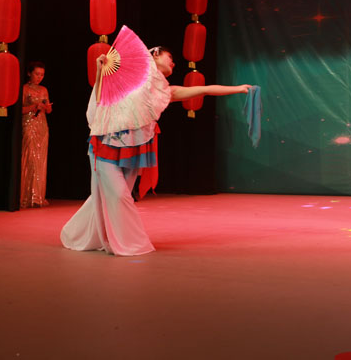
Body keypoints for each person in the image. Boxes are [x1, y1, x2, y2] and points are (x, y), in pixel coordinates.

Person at [61, 43, 250, 256]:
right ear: (156, 54)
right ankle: (129, 242)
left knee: (113, 196)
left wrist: (239, 89)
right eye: (170, 57)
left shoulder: (164, 91)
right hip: (107, 144)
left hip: (134, 149)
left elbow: (205, 90)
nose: (174, 63)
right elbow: (100, 97)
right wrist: (99, 71)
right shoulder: (127, 78)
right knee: (119, 195)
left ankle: (78, 234)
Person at [21, 62, 52, 208]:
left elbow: (49, 111)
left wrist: (47, 106)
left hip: (42, 126)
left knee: (41, 160)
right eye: (37, 74)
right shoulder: (24, 89)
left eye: (42, 75)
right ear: (29, 73)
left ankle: (38, 196)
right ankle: (26, 196)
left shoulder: (44, 89)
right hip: (29, 124)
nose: (39, 77)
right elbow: (20, 109)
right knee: (30, 159)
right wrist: (34, 106)